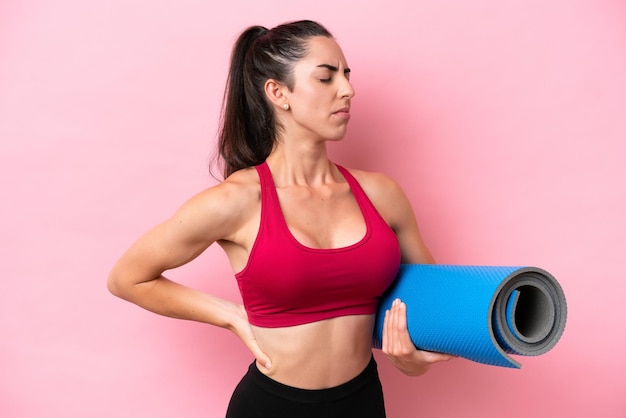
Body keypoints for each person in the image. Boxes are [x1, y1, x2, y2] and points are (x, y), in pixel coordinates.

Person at [107, 19, 454, 417]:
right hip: (270, 407)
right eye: (326, 78)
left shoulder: (382, 195)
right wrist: (230, 316)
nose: (348, 89)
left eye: (346, 75)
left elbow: (431, 310)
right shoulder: (238, 200)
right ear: (278, 93)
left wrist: (411, 361)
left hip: (363, 403)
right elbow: (127, 278)